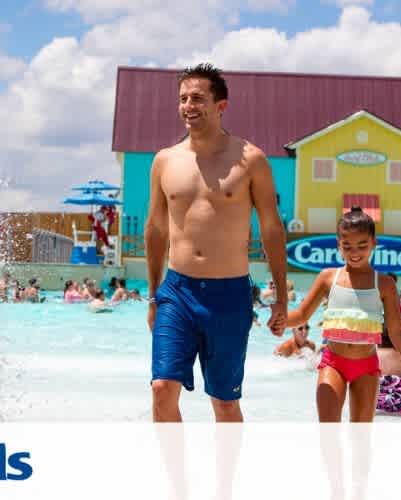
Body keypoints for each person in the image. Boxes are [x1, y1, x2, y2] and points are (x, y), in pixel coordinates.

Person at [146, 63, 288, 423]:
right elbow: (156, 228)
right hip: (176, 290)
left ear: (221, 105)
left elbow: (271, 228)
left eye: (198, 98)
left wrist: (282, 299)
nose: (188, 106)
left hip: (229, 294)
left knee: (223, 403)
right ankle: (175, 480)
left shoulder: (250, 160)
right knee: (162, 388)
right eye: (183, 99)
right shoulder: (165, 161)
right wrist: (153, 295)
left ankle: (226, 481)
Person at [285, 208, 401, 422]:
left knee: (360, 437)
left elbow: (396, 330)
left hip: (366, 366)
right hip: (333, 363)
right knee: (328, 432)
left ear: (374, 243)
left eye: (362, 245)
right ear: (339, 245)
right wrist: (279, 319)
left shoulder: (384, 284)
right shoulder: (328, 278)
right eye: (347, 246)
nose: (355, 252)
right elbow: (301, 314)